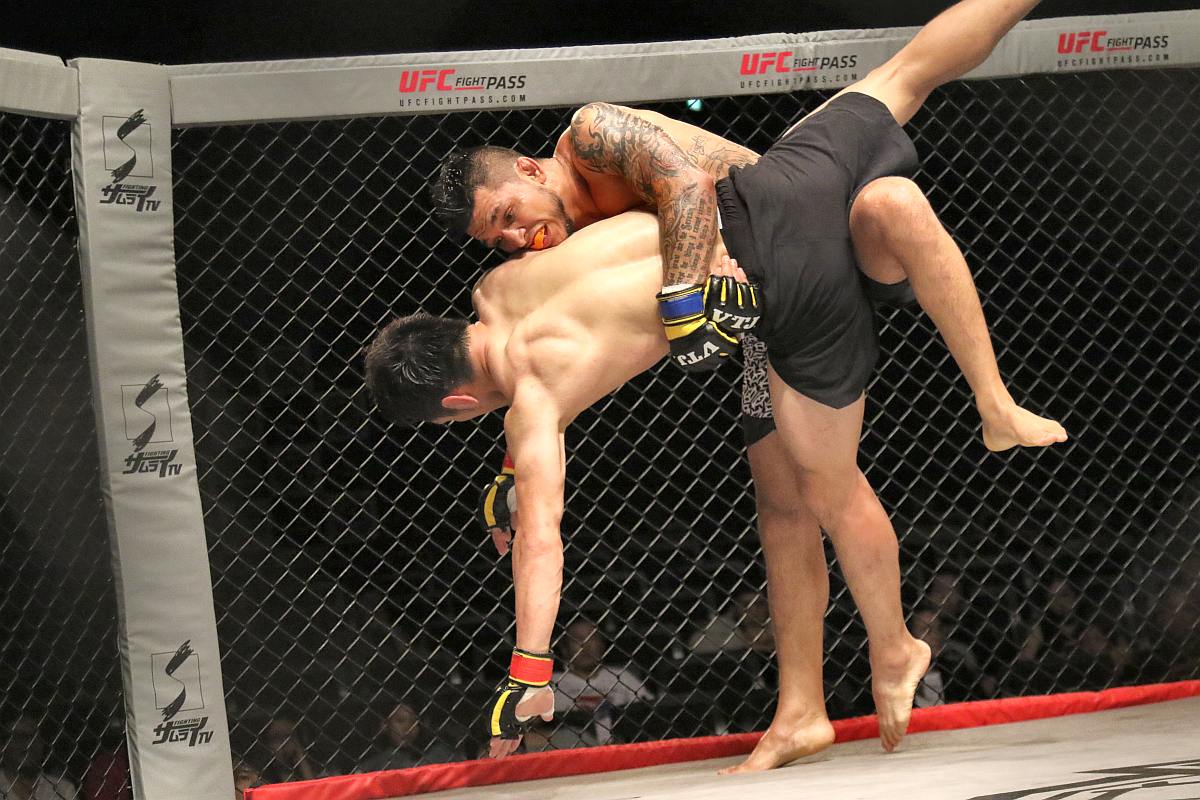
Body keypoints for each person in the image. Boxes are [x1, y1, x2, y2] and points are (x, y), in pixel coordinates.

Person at [422, 0, 1066, 772]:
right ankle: (801, 711)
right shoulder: (547, 254)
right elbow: (535, 375)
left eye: (506, 214)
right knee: (782, 506)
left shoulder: (591, 135)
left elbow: (689, 184)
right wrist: (509, 474)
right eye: (494, 238)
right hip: (775, 291)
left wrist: (688, 294)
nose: (512, 237)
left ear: (530, 169)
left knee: (910, 77)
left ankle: (980, 432)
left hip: (788, 225)